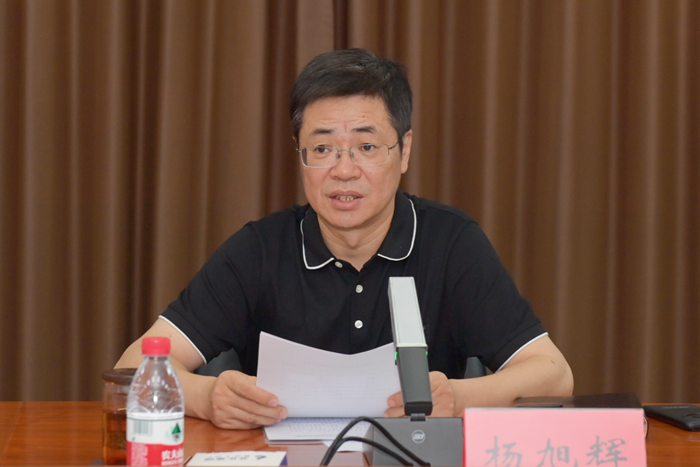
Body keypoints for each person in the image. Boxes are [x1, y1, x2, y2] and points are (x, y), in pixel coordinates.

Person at [115, 48, 573, 430]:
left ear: (404, 150)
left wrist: (459, 397)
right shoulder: (260, 250)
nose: (344, 170)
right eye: (322, 148)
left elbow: (554, 375)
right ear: (300, 155)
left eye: (366, 147)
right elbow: (130, 368)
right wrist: (205, 396)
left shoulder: (451, 244)